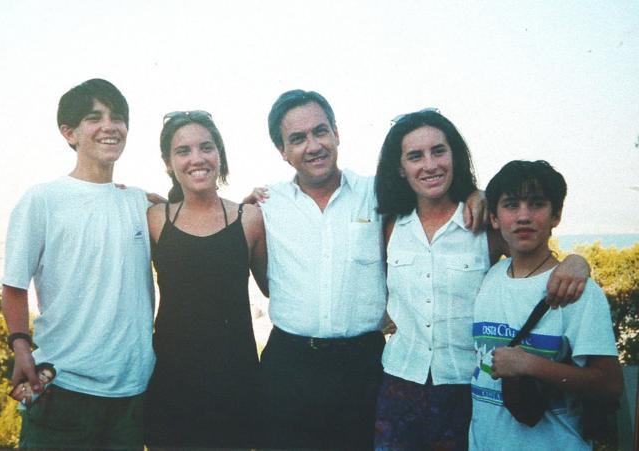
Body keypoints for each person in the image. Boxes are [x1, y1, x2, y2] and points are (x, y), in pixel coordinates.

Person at [256, 90, 488, 450]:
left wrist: (477, 194)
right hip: (289, 366)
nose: (313, 145)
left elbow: (435, 195)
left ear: (336, 133)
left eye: (320, 131)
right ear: (282, 151)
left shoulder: (377, 193)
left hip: (363, 366)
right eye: (297, 139)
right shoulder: (267, 204)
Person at [373, 110, 591, 450]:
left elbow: (538, 259)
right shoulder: (389, 226)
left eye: (438, 151)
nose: (429, 165)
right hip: (399, 383)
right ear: (401, 168)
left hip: (468, 387)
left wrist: (578, 262)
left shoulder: (482, 224)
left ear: (454, 156)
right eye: (415, 156)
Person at [1, 78, 155, 449]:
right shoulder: (43, 200)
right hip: (62, 388)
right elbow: (13, 285)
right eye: (93, 117)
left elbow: (198, 222)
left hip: (132, 396)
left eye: (117, 117)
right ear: (69, 132)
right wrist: (21, 346)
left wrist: (241, 206)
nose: (109, 126)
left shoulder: (142, 203)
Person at [470, 160, 622, 450]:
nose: (523, 216)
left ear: (557, 215)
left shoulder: (578, 291)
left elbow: (609, 385)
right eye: (511, 205)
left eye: (537, 204)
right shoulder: (489, 277)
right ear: (494, 218)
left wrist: (530, 364)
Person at [143, 110, 268, 448]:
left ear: (219, 154)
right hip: (171, 382)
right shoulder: (154, 218)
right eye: (183, 151)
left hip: (235, 383)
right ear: (168, 162)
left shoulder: (250, 219)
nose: (196, 158)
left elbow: (275, 289)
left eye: (206, 147)